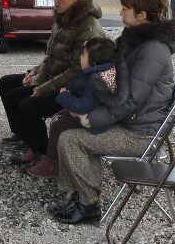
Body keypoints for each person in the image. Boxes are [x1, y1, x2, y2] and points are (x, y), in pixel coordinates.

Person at [50, 0, 175, 225]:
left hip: (141, 135)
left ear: (142, 15)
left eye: (125, 8)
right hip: (131, 123)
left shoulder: (153, 50)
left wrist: (90, 118)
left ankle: (88, 206)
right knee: (69, 129)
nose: (121, 13)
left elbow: (129, 101)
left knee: (72, 139)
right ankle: (79, 196)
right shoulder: (136, 40)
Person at [0, 0, 104, 167]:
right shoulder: (62, 17)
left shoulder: (87, 26)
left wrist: (42, 88)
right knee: (7, 83)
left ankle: (41, 153)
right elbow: (51, 55)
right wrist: (35, 74)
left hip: (73, 88)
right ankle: (23, 135)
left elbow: (75, 71)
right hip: (55, 76)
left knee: (26, 105)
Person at [25, 36, 121, 179]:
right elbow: (77, 86)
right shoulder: (94, 73)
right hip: (88, 113)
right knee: (59, 118)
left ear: (93, 62)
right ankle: (57, 160)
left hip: (92, 120)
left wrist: (64, 96)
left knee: (58, 126)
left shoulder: (96, 80)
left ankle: (52, 164)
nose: (80, 57)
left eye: (83, 55)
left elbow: (84, 106)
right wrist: (67, 92)